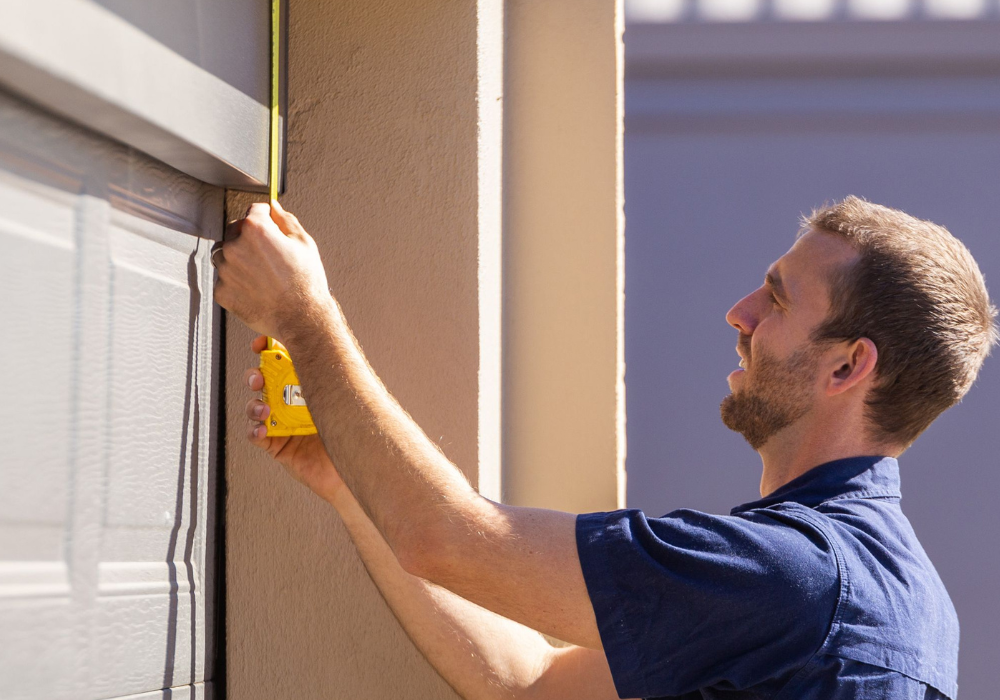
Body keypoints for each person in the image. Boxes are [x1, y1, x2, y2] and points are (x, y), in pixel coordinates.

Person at [213, 196, 997, 699]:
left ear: (847, 366)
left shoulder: (795, 579)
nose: (740, 312)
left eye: (779, 299)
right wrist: (353, 486)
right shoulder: (907, 601)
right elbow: (533, 683)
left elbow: (446, 537)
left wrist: (304, 316)